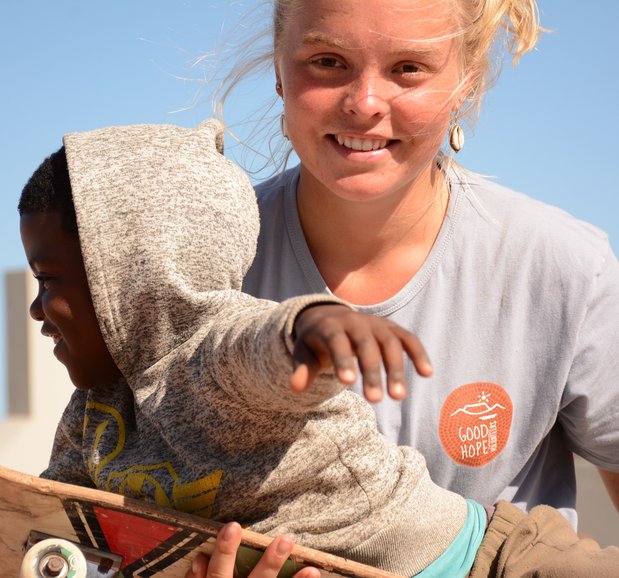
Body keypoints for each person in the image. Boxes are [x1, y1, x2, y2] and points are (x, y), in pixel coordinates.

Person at [19, 120, 619, 577]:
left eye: (49, 280)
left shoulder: (203, 357)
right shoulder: (94, 421)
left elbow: (259, 347)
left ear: (130, 281)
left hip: (486, 560)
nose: (36, 309)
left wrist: (320, 328)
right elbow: (51, 519)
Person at [209, 0, 619, 529]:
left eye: (408, 69)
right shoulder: (209, 260)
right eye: (328, 61)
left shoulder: (565, 268)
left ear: (465, 82)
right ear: (280, 73)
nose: (364, 103)